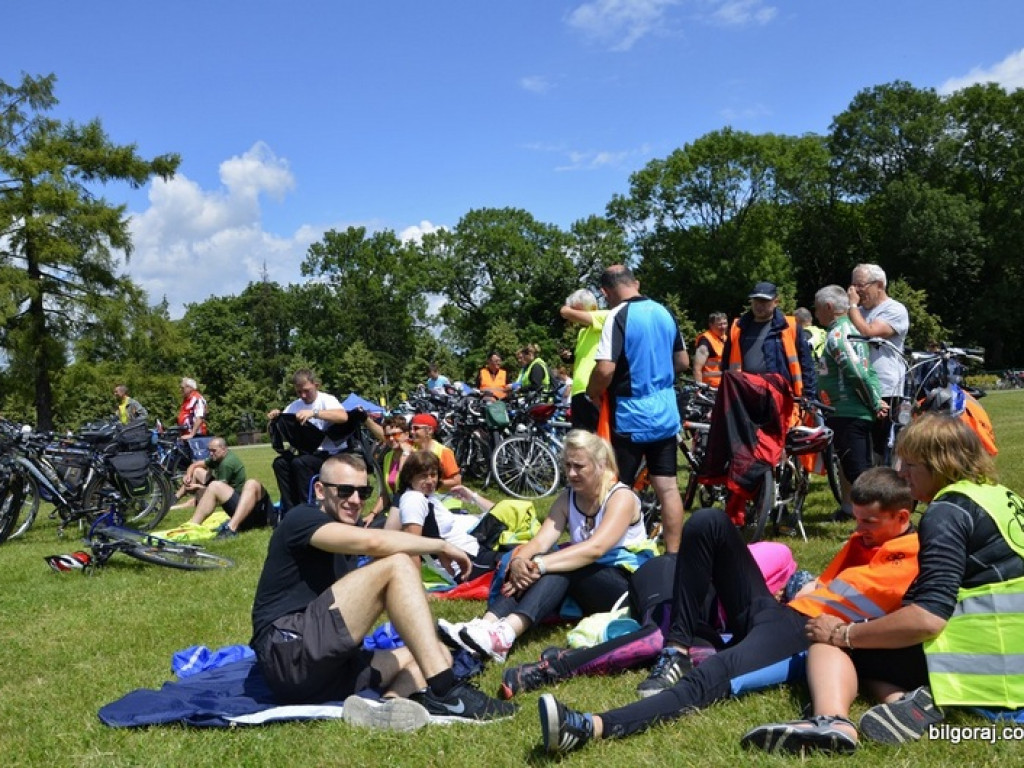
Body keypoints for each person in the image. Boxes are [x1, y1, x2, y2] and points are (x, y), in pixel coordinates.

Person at [537, 467, 919, 754]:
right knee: (708, 521)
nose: (859, 528)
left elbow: (912, 622)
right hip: (780, 610)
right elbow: (822, 586)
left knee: (710, 678)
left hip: (801, 635)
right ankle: (677, 647)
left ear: (902, 518)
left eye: (869, 521)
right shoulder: (860, 540)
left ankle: (591, 726)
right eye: (857, 519)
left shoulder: (922, 558)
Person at [765, 413, 1023, 750]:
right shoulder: (1000, 496)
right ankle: (903, 700)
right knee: (872, 644)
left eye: (911, 465)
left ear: (940, 464)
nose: (901, 473)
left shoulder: (948, 511)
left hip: (979, 669)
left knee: (831, 640)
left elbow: (927, 618)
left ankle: (830, 721)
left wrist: (844, 633)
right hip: (1011, 659)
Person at [250, 453, 516, 727]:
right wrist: (440, 545)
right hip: (287, 651)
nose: (355, 500)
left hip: (328, 669)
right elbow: (375, 542)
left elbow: (381, 542)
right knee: (398, 565)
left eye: (363, 491)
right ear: (320, 490)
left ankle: (389, 707)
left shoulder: (345, 541)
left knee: (436, 652)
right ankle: (447, 692)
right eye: (345, 490)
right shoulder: (300, 519)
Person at [437, 429, 654, 664]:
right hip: (589, 582)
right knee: (539, 558)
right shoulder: (567, 497)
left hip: (626, 589)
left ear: (601, 464)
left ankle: (505, 634)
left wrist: (539, 564)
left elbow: (596, 549)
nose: (571, 473)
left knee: (560, 563)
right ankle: (486, 624)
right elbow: (541, 540)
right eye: (567, 465)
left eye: (579, 466)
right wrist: (520, 561)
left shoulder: (621, 497)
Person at [587, 265, 688, 553]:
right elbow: (682, 361)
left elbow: (605, 369)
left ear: (607, 292)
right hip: (666, 412)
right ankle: (673, 553)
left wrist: (593, 392)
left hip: (630, 416)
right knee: (667, 487)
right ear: (636, 283)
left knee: (618, 488)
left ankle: (613, 549)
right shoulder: (664, 312)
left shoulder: (617, 316)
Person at [707, 281, 817, 525]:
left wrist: (809, 394)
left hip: (782, 398)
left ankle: (781, 505)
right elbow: (727, 367)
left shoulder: (790, 326)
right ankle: (746, 501)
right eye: (756, 300)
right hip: (744, 397)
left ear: (776, 301)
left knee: (781, 449)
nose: (759, 305)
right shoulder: (738, 327)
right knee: (744, 448)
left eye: (765, 301)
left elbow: (805, 363)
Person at [813, 285, 889, 519]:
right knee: (858, 468)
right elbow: (870, 372)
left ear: (828, 307)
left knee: (858, 473)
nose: (816, 315)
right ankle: (874, 518)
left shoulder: (838, 334)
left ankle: (880, 521)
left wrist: (875, 402)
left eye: (817, 309)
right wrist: (876, 398)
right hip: (851, 411)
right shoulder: (851, 330)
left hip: (848, 412)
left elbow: (857, 373)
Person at [384, 451, 495, 578]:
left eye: (433, 475)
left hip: (476, 551)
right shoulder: (414, 499)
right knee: (514, 561)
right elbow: (413, 545)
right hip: (467, 563)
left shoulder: (427, 496)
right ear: (410, 477)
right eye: (423, 476)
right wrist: (416, 586)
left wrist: (473, 498)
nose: (430, 481)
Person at [846, 263, 910, 462]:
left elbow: (868, 332)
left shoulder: (895, 309)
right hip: (859, 387)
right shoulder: (858, 312)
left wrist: (852, 307)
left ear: (879, 285)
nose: (855, 291)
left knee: (886, 447)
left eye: (861, 285)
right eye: (853, 285)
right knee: (862, 446)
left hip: (886, 388)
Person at [268, 369, 348, 514]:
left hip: (331, 454)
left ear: (316, 385)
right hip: (309, 453)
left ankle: (307, 510)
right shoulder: (295, 405)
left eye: (306, 391)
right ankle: (290, 510)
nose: (303, 395)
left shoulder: (327, 400)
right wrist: (277, 416)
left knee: (300, 462)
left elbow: (343, 417)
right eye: (299, 392)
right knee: (280, 463)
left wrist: (314, 413)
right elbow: (285, 425)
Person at [560, 288, 610, 431]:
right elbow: (584, 358)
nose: (574, 316)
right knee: (581, 440)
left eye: (577, 311)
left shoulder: (604, 316)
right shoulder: (582, 332)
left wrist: (567, 310)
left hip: (593, 389)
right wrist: (570, 358)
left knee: (597, 436)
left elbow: (565, 312)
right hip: (578, 391)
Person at [176, 435, 246, 506]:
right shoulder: (218, 457)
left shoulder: (226, 464)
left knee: (191, 502)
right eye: (210, 450)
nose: (211, 454)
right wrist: (188, 476)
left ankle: (193, 501)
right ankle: (176, 498)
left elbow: (220, 489)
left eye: (214, 451)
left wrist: (198, 486)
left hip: (230, 496)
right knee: (197, 470)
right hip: (221, 485)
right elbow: (194, 465)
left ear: (223, 449)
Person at [408, 413, 462, 491]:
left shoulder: (444, 452)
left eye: (416, 428)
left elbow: (456, 481)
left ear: (430, 430)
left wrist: (432, 483)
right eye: (411, 428)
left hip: (442, 499)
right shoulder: (410, 447)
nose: (412, 432)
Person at [692, 312, 728, 388]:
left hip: (723, 386)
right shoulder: (705, 341)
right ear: (711, 325)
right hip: (710, 389)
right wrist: (699, 389)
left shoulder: (725, 338)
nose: (723, 327)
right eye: (719, 324)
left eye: (725, 323)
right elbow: (697, 369)